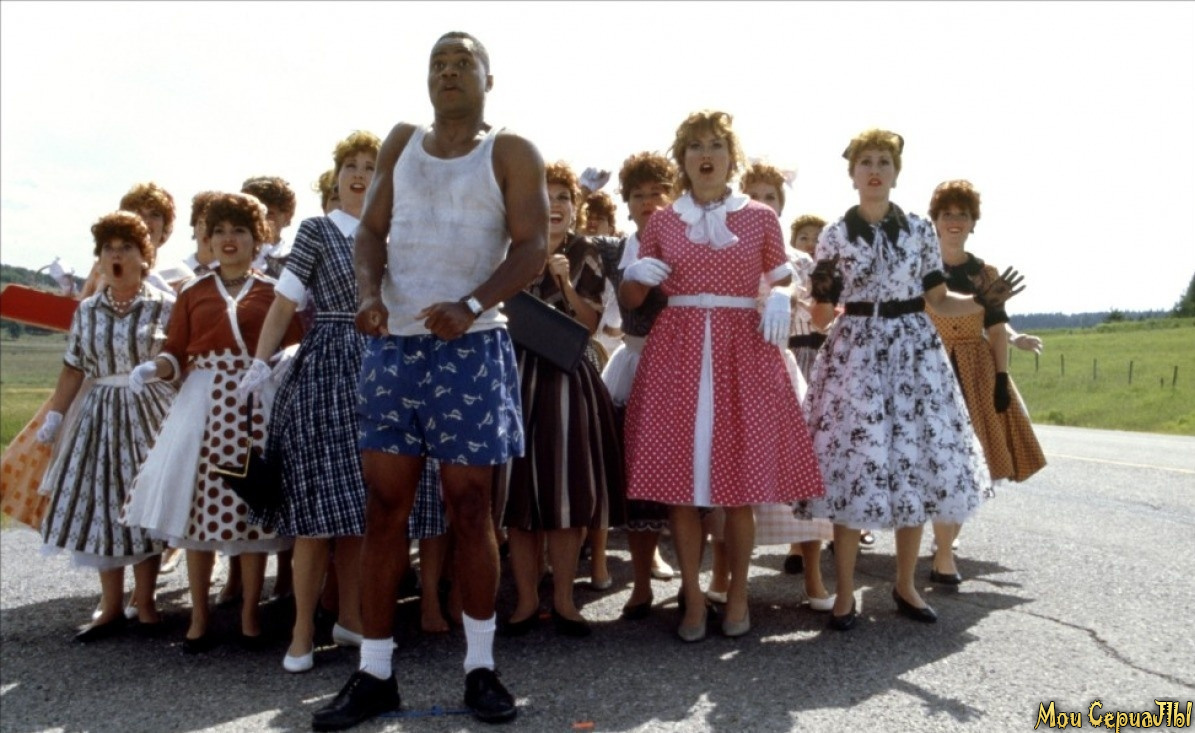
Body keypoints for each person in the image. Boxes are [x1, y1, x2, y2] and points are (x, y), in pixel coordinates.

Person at [311, 31, 546, 731]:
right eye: (437, 63)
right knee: (384, 507)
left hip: (472, 347)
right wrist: (366, 294)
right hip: (395, 349)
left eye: (462, 62)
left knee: (471, 508)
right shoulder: (401, 142)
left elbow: (533, 248)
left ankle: (481, 668)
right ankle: (375, 672)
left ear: (487, 79)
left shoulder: (509, 150)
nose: (448, 72)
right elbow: (370, 232)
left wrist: (471, 304)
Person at [621, 110, 824, 642]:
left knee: (738, 490)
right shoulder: (664, 220)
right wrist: (634, 276)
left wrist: (780, 296)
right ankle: (692, 597)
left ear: (731, 157)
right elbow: (633, 300)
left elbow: (784, 277)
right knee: (681, 490)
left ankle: (736, 596)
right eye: (695, 146)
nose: (705, 154)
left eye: (715, 144)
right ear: (683, 158)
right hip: (678, 348)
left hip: (742, 348)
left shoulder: (759, 217)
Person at [796, 129, 994, 630]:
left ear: (896, 172)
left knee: (916, 461)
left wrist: (981, 303)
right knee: (852, 466)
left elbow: (939, 299)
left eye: (884, 161)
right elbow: (822, 313)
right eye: (866, 161)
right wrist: (804, 297)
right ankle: (845, 594)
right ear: (853, 174)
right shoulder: (835, 235)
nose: (875, 169)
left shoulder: (920, 231)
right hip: (856, 351)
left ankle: (905, 585)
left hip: (913, 351)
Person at [122, 192, 303, 652]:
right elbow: (176, 352)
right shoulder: (193, 291)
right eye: (218, 231)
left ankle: (249, 614)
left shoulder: (274, 292)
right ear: (207, 238)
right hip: (203, 405)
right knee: (198, 512)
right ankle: (199, 616)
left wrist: (277, 366)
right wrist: (155, 369)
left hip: (255, 402)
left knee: (252, 510)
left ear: (257, 238)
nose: (228, 239)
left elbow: (293, 345)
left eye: (239, 230)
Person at [235, 131, 382, 672]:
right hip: (325, 367)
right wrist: (260, 361)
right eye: (351, 165)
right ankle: (301, 630)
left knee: (361, 506)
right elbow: (284, 304)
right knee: (316, 510)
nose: (360, 174)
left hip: (379, 367)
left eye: (371, 166)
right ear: (337, 177)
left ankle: (351, 617)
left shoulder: (389, 234)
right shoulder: (317, 230)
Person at [495, 161, 625, 638]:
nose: (556, 205)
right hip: (513, 376)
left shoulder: (584, 251)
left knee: (568, 491)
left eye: (564, 197)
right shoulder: (509, 250)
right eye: (545, 196)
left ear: (575, 206)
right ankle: (527, 600)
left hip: (568, 375)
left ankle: (566, 600)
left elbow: (590, 325)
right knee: (519, 493)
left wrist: (565, 283)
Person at [36, 211, 177, 641]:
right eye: (108, 249)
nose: (116, 256)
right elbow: (73, 368)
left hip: (150, 411)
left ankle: (146, 602)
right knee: (104, 504)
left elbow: (179, 361)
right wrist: (56, 415)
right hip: (99, 412)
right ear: (99, 258)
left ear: (144, 256)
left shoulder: (163, 305)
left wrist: (157, 373)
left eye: (126, 248)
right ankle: (111, 605)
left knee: (145, 502)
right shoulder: (88, 311)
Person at [925, 179, 1046, 583]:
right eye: (947, 214)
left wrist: (1001, 377)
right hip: (930, 367)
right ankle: (944, 551)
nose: (955, 221)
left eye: (963, 214)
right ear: (935, 221)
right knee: (938, 458)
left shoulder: (985, 274)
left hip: (975, 369)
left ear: (973, 223)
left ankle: (945, 545)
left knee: (971, 459)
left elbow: (995, 328)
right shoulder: (922, 269)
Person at [733, 163, 835, 611]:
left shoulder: (800, 261)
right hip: (735, 369)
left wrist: (822, 293)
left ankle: (813, 577)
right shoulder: (728, 248)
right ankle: (724, 576)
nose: (762, 204)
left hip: (781, 367)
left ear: (781, 204)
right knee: (732, 473)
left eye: (770, 196)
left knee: (800, 469)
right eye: (753, 195)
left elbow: (820, 319)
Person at [599, 151, 682, 619]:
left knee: (689, 480)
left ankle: (698, 583)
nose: (648, 202)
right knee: (639, 480)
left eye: (657, 193)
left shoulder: (690, 240)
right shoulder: (620, 248)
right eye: (638, 194)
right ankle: (642, 581)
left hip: (685, 367)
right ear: (626, 203)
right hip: (636, 361)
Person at [242, 175, 297, 278]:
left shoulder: (297, 259)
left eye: (269, 214)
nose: (260, 219)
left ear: (287, 216)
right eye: (253, 213)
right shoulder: (229, 253)